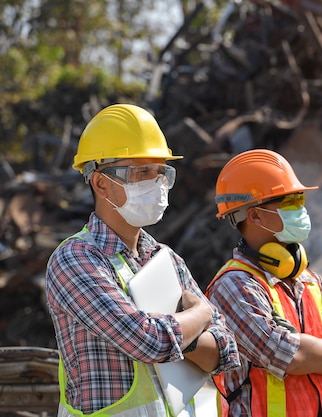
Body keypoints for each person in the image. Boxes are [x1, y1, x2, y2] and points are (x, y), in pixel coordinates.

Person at [45, 103, 240, 417]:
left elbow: (226, 351)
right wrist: (201, 315)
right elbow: (148, 342)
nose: (157, 182)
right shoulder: (74, 260)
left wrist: (180, 335)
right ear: (100, 183)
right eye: (142, 172)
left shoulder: (166, 259)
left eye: (162, 171)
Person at [204, 149, 322, 417]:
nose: (301, 209)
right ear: (256, 216)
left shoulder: (310, 281)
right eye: (288, 202)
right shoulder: (234, 286)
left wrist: (310, 352)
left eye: (299, 199)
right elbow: (288, 356)